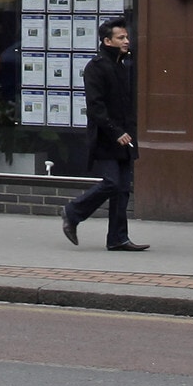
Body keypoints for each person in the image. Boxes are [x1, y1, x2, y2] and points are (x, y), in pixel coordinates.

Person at [62, 17, 147, 251]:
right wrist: (116, 132)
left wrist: (128, 131)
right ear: (107, 41)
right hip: (106, 137)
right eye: (121, 38)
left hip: (124, 136)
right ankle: (73, 211)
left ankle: (118, 238)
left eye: (126, 37)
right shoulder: (96, 67)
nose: (126, 41)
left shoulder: (122, 65)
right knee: (112, 183)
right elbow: (96, 107)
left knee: (122, 189)